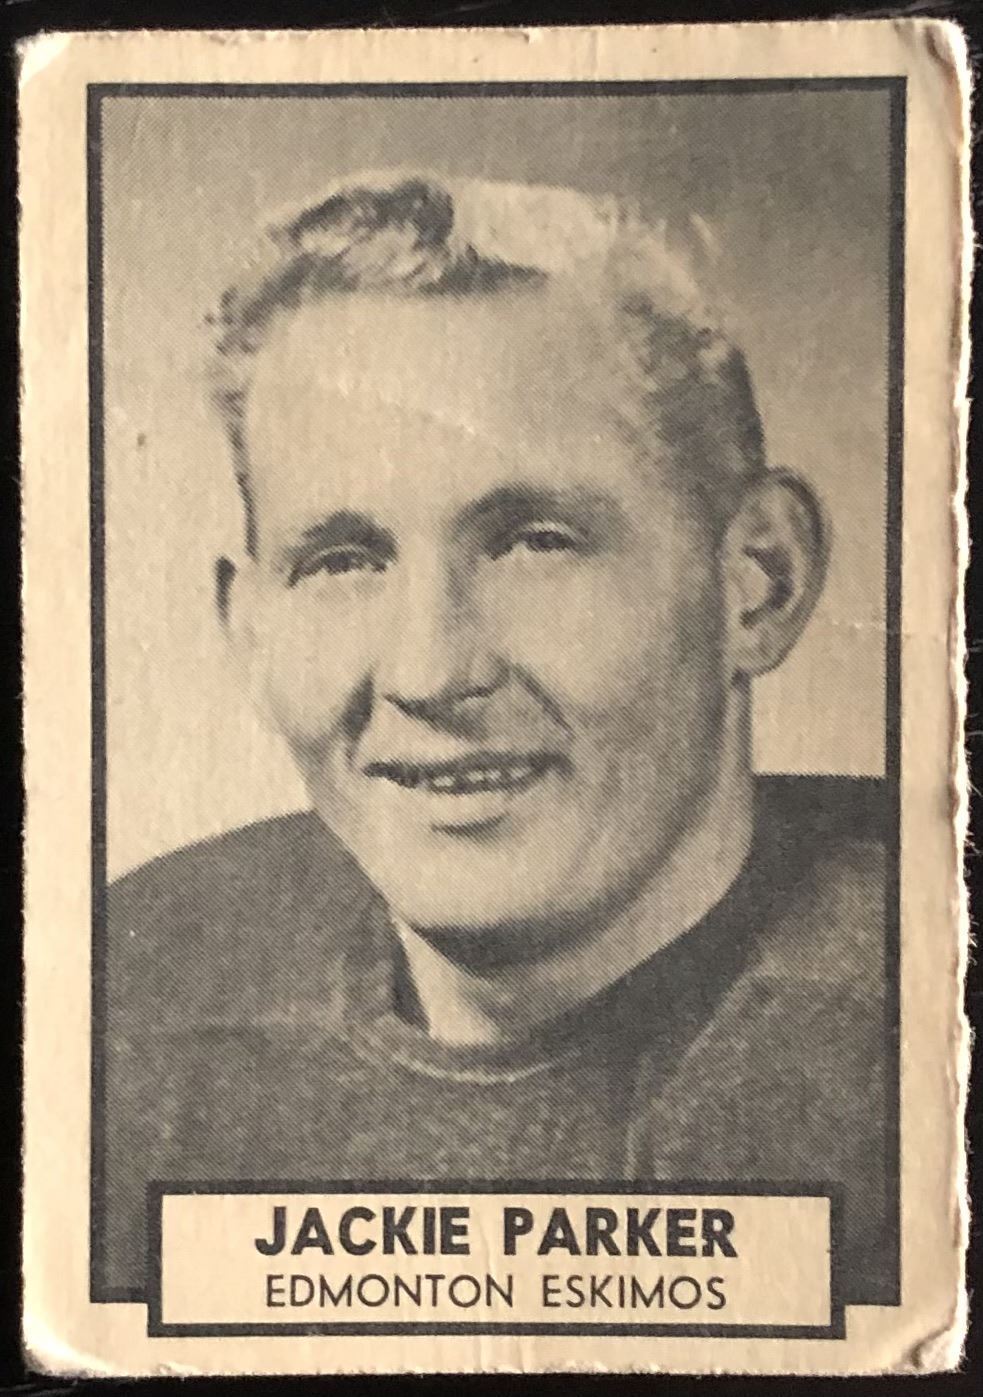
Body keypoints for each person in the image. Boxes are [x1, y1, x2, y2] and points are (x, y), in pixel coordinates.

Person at [99, 171, 894, 1304]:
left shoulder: (919, 1033)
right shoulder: (127, 999)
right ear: (251, 627)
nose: (430, 672)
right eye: (342, 560)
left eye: (534, 540)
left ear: (756, 581)